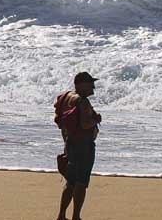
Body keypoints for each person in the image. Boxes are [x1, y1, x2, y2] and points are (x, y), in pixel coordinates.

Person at [56, 72, 102, 220]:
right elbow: (85, 124)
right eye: (90, 84)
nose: (93, 88)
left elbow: (62, 123)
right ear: (81, 84)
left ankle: (62, 215)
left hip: (70, 143)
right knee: (81, 182)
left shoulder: (65, 96)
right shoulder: (82, 101)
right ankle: (76, 216)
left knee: (71, 181)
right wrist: (96, 119)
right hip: (83, 146)